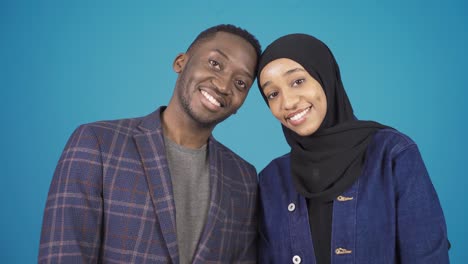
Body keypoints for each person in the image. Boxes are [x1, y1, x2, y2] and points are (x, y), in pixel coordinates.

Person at [39, 24, 261, 263]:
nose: (223, 85)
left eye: (241, 83)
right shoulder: (98, 143)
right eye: (215, 63)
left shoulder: (244, 178)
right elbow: (64, 255)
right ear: (180, 62)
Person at [256, 34, 449, 263]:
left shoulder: (391, 154)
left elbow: (427, 256)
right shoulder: (272, 179)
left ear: (325, 76)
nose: (287, 102)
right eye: (273, 94)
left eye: (298, 81)